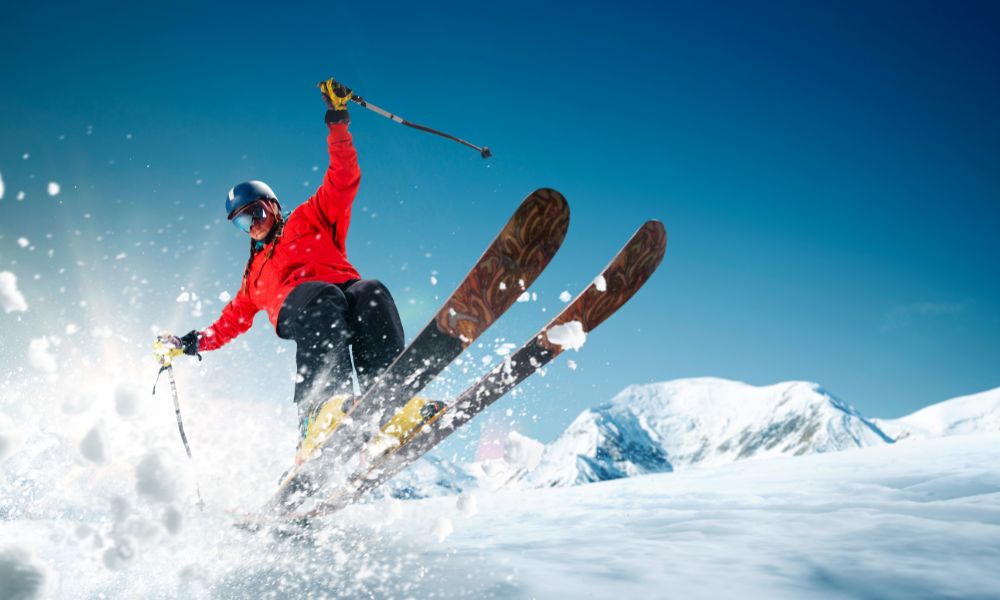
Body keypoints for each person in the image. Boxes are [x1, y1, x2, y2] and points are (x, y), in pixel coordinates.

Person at [160, 77, 405, 447]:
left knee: (370, 291)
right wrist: (189, 342)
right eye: (243, 222)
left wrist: (337, 121)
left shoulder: (312, 216)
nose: (253, 225)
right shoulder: (254, 277)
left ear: (273, 205)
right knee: (323, 297)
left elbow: (343, 179)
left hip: (342, 291)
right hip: (304, 307)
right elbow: (228, 324)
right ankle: (319, 411)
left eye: (256, 212)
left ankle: (387, 401)